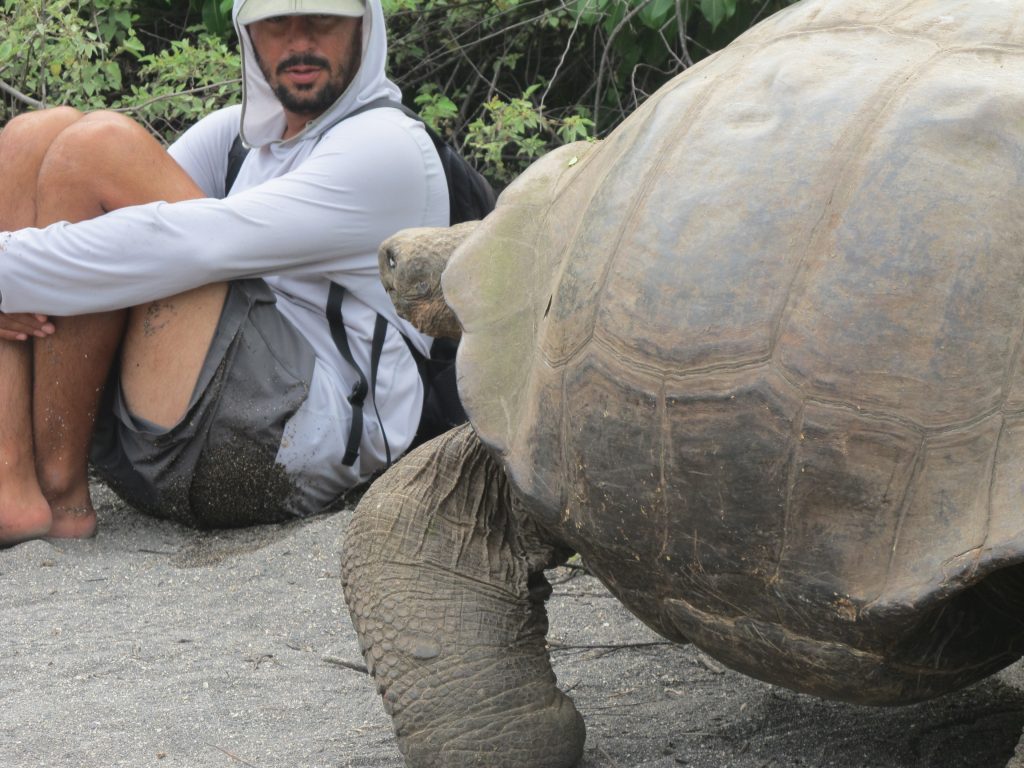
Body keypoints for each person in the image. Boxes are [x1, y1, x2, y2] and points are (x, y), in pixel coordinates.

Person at [0, 0, 450, 546]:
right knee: (33, 137)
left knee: (96, 149)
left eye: (322, 20)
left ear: (365, 27)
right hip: (165, 437)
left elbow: (181, 245)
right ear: (247, 31)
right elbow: (97, 217)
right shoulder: (240, 136)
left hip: (289, 448)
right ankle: (11, 481)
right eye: (276, 22)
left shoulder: (386, 147)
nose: (299, 41)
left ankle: (60, 490)